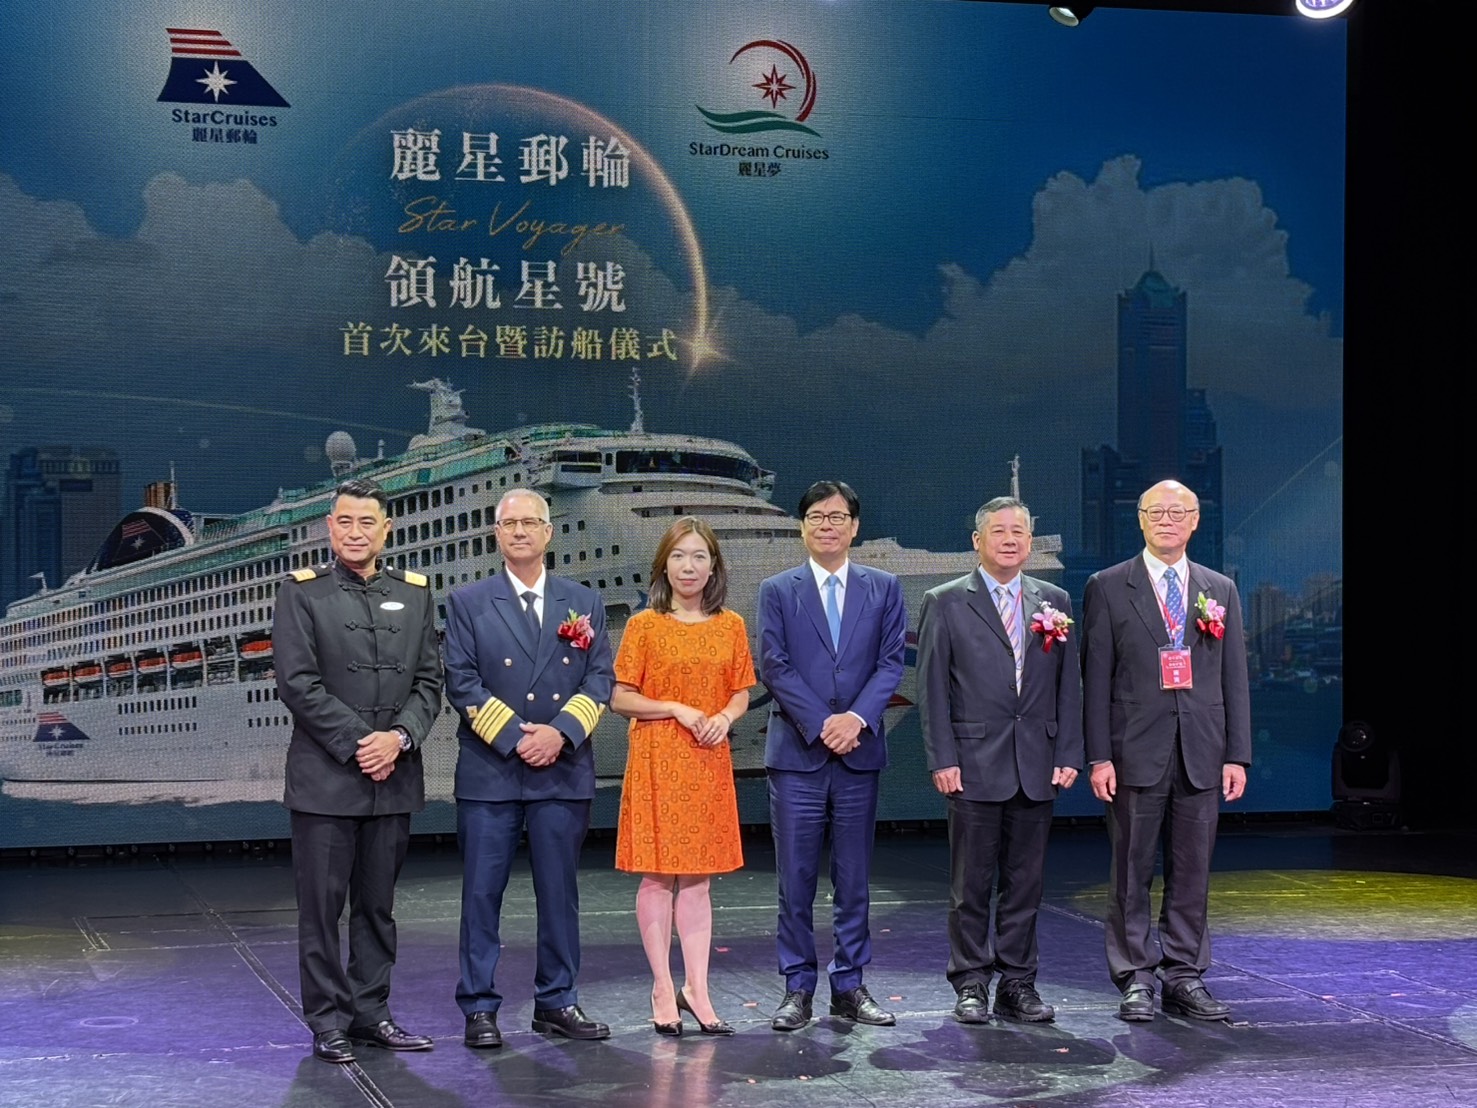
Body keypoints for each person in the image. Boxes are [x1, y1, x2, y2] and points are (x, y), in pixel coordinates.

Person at [275, 477, 443, 1064]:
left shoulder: (416, 594)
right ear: (330, 527)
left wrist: (398, 738)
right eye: (345, 521)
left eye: (366, 522)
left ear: (386, 529)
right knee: (322, 911)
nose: (355, 532)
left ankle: (371, 1014)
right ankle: (327, 1022)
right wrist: (360, 742)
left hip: (394, 775)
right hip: (326, 779)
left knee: (377, 908)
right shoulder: (301, 593)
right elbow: (297, 683)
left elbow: (429, 682)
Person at [444, 488, 615, 1047]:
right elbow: (461, 682)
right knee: (481, 894)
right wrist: (518, 738)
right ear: (496, 534)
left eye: (530, 522)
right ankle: (479, 1007)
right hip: (491, 771)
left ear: (548, 532)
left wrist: (559, 734)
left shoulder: (583, 601)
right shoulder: (468, 602)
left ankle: (557, 1001)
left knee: (559, 895)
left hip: (561, 770)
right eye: (509, 523)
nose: (520, 531)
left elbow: (600, 678)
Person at [1082, 479, 1251, 1022]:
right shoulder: (1109, 586)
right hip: (1133, 750)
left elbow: (1234, 677)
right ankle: (1135, 976)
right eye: (1157, 512)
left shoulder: (1219, 589)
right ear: (1140, 519)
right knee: (1130, 870)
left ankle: (1183, 975)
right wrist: (1099, 756)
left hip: (1202, 750)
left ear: (1195, 521)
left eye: (1179, 512)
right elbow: (1096, 678)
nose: (1167, 521)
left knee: (1193, 870)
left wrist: (1236, 754)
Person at [917, 497, 1083, 1025]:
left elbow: (1068, 685)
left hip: (1037, 762)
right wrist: (942, 758)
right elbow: (932, 690)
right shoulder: (945, 601)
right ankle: (970, 982)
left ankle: (1018, 984)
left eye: (1019, 532)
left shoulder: (1053, 600)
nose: (1009, 540)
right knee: (970, 884)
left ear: (1030, 542)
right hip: (972, 763)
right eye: (998, 531)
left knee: (1025, 884)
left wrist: (1068, 751)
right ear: (977, 541)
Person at [757, 480, 906, 1031]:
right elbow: (773, 665)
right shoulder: (777, 589)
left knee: (854, 878)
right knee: (794, 879)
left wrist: (856, 720)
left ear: (854, 526)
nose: (827, 525)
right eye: (817, 517)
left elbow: (891, 663)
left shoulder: (884, 587)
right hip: (797, 754)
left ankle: (850, 985)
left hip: (859, 752)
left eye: (837, 517)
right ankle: (797, 987)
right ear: (803, 527)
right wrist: (823, 723)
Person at [610, 518, 755, 1036]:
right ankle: (661, 986)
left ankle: (697, 988)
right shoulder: (644, 625)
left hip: (707, 758)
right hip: (658, 756)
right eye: (678, 556)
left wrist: (726, 716)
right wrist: (673, 706)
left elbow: (741, 690)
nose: (688, 566)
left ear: (713, 566)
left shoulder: (730, 625)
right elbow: (620, 697)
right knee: (657, 876)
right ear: (663, 565)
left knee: (698, 878)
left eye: (698, 556)